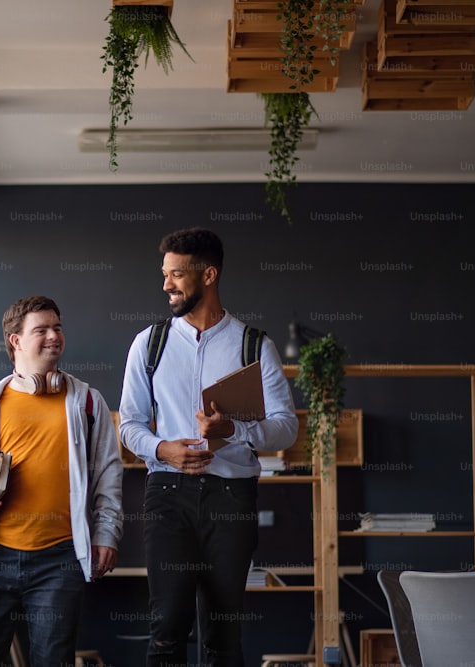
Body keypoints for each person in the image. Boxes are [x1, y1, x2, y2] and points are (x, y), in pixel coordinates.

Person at [119, 227, 298, 667]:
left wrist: (233, 431)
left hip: (231, 499)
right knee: (166, 632)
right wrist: (164, 450)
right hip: (167, 496)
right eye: (164, 274)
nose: (166, 285)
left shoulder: (255, 346)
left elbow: (286, 429)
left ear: (209, 275)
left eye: (176, 274)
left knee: (223, 636)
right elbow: (130, 425)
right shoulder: (149, 343)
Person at [0, 295, 123, 667]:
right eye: (41, 330)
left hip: (60, 560)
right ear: (16, 340)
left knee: (52, 661)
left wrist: (106, 534)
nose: (54, 336)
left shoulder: (88, 402)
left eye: (57, 328)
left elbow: (109, 477)